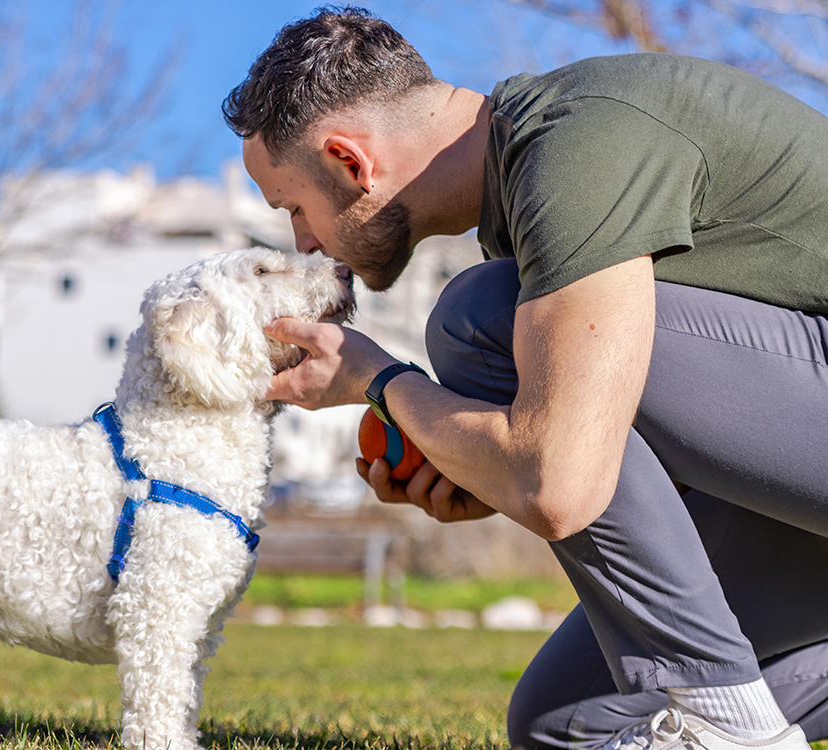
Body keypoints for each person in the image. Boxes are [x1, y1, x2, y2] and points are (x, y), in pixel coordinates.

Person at [223, 6, 828, 750]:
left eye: (293, 207)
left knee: (478, 318)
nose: (304, 240)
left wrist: (378, 381)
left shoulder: (579, 143)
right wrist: (481, 471)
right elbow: (667, 445)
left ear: (351, 162)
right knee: (564, 720)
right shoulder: (528, 196)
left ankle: (727, 721)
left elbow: (562, 486)